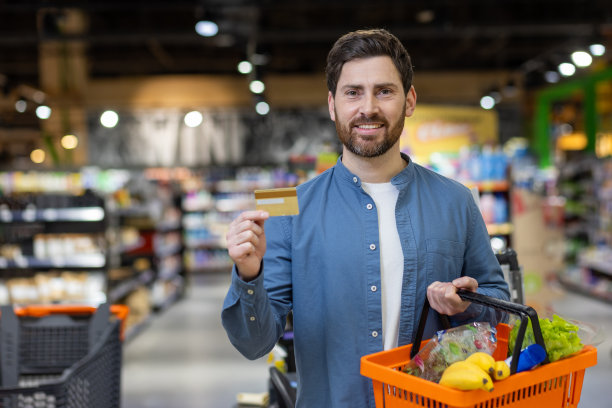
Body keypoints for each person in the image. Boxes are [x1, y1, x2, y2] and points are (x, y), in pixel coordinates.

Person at [222, 28, 510, 407]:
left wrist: (468, 304)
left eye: (384, 91)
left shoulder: (455, 201)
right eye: (353, 92)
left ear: (409, 101)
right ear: (332, 104)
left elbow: (502, 308)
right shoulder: (289, 209)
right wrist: (248, 275)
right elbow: (254, 343)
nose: (368, 107)